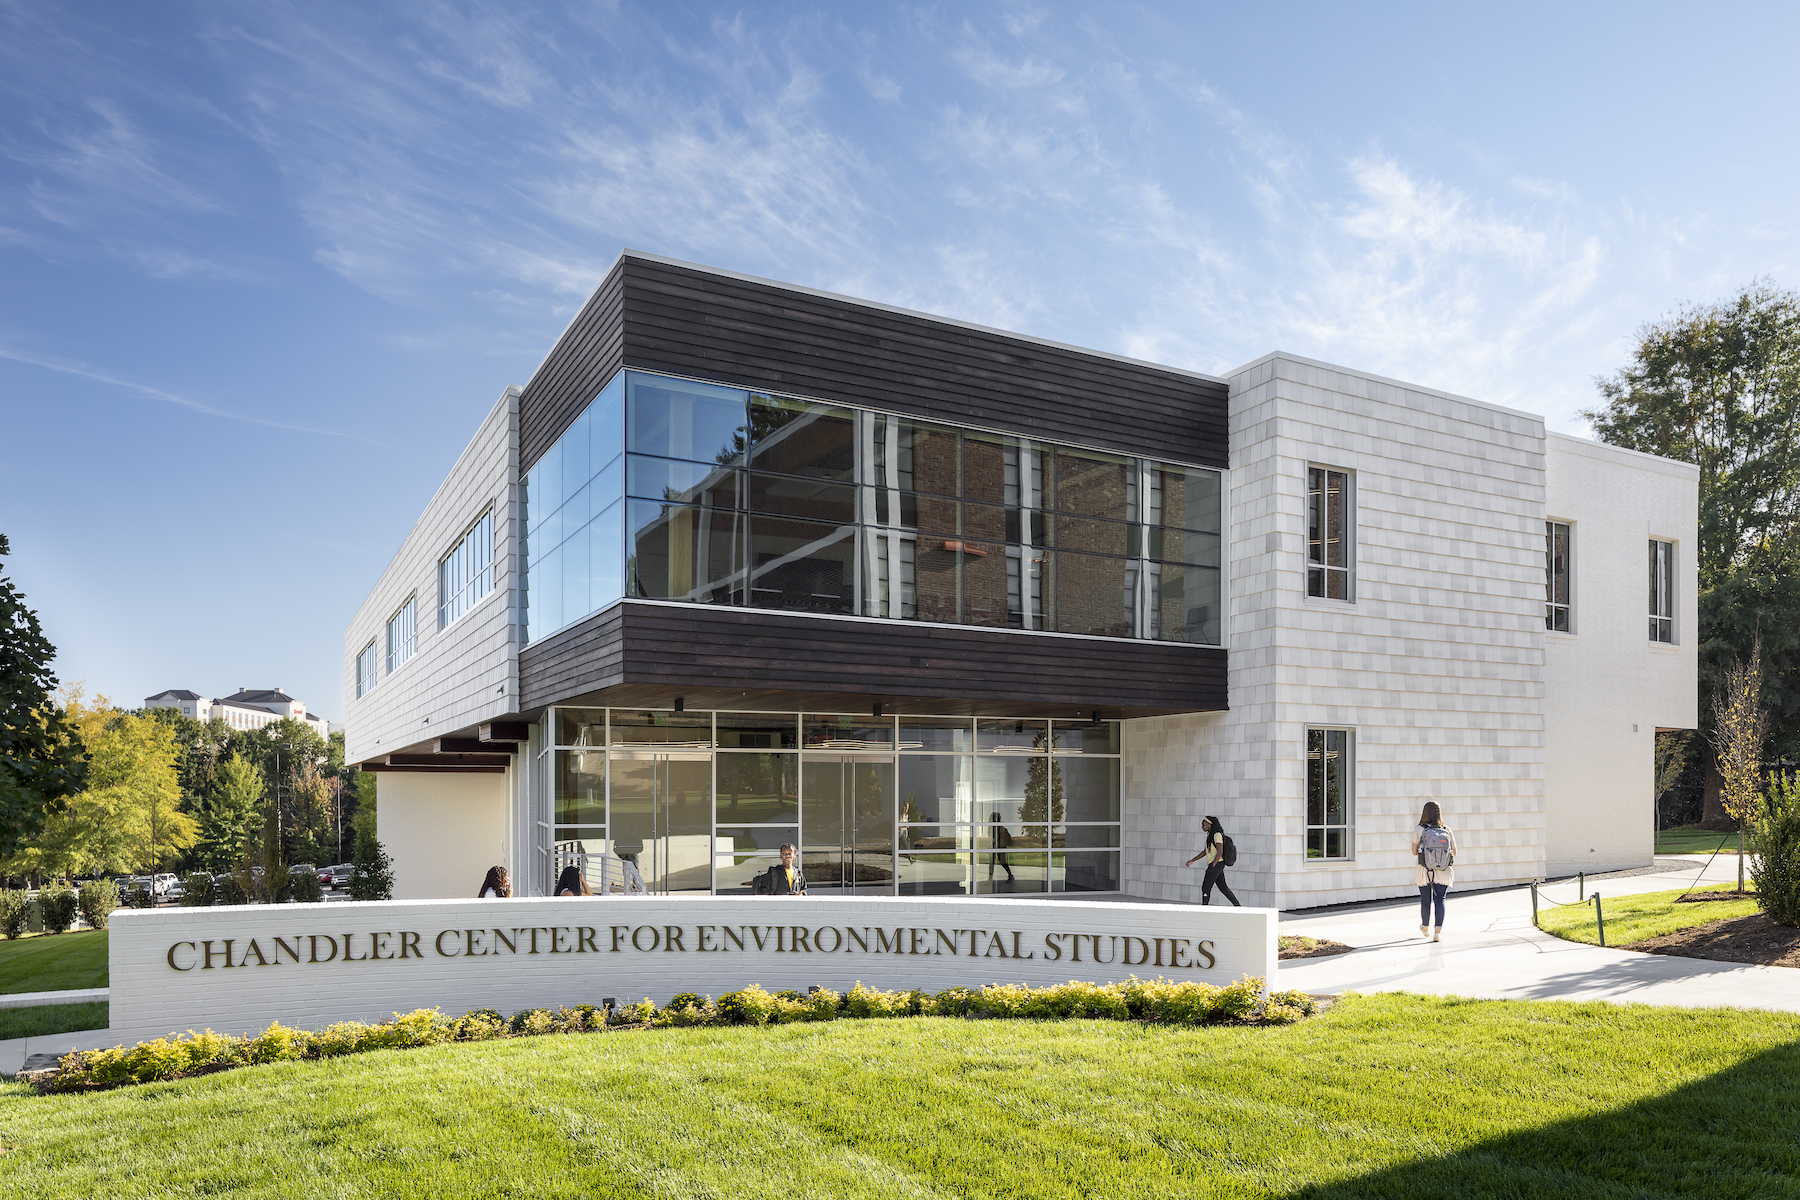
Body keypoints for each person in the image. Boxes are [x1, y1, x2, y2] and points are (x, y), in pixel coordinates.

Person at [1411, 801, 1457, 941]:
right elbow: (1454, 852)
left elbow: (1414, 852)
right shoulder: (1446, 830)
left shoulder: (1419, 829)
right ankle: (1437, 932)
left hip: (1425, 870)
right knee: (1440, 900)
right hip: (1443, 870)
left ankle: (1425, 927)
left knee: (1426, 900)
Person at [1184, 815, 1240, 906]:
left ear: (1210, 825)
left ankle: (1204, 907)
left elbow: (1220, 851)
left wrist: (1213, 865)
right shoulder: (1210, 835)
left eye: (1203, 825)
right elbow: (1205, 851)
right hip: (1216, 864)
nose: (1202, 827)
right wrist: (1192, 860)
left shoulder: (1217, 835)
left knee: (1206, 887)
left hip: (1217, 863)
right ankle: (1237, 905)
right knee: (1223, 887)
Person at [986, 812, 1016, 883]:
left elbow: (1000, 838)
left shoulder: (999, 827)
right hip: (996, 846)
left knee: (1002, 862)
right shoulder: (992, 827)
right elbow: (990, 838)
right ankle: (991, 878)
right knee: (992, 862)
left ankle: (1010, 875)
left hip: (1000, 846)